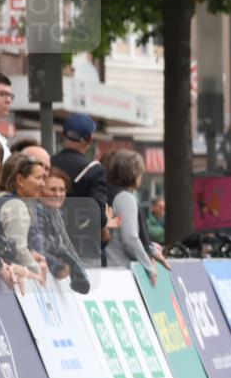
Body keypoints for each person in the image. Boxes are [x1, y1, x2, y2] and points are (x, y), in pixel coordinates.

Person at [51, 113, 108, 260]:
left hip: (49, 242)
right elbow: (97, 210)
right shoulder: (94, 170)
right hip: (82, 245)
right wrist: (105, 231)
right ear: (89, 139)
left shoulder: (47, 164)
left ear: (63, 134)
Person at [105, 150, 167, 285]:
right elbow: (130, 238)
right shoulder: (126, 198)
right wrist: (149, 266)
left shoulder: (107, 193)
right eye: (140, 171)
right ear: (133, 173)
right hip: (121, 269)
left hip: (105, 267)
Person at [0, 153, 48, 278]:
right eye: (38, 178)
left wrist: (30, 252)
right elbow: (18, 250)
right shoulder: (16, 205)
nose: (43, 184)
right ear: (20, 180)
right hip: (5, 280)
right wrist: (38, 274)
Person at [40, 167, 90, 292]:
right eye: (52, 189)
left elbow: (67, 244)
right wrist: (58, 266)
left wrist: (80, 271)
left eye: (62, 190)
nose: (58, 194)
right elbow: (39, 248)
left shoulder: (57, 213)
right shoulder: (35, 212)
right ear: (40, 190)